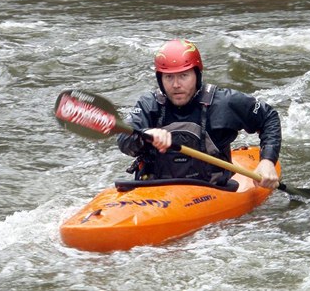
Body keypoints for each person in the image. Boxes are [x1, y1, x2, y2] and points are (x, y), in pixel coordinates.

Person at [117, 39, 281, 189]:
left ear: (197, 75)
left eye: (183, 75)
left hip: (212, 190)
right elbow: (124, 140)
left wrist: (267, 160)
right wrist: (145, 134)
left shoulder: (224, 102)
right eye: (168, 77)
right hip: (154, 189)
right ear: (160, 79)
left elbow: (268, 117)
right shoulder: (149, 105)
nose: (176, 85)